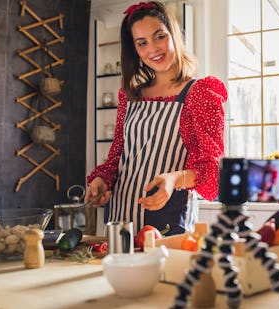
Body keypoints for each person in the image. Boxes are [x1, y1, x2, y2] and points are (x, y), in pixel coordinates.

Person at [85, 1, 227, 236]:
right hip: (120, 220)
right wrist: (102, 179)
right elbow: (117, 157)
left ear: (174, 34)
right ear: (135, 50)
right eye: (142, 43)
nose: (153, 49)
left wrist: (174, 179)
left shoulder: (200, 93)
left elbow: (211, 169)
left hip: (168, 221)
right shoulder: (130, 95)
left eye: (159, 36)